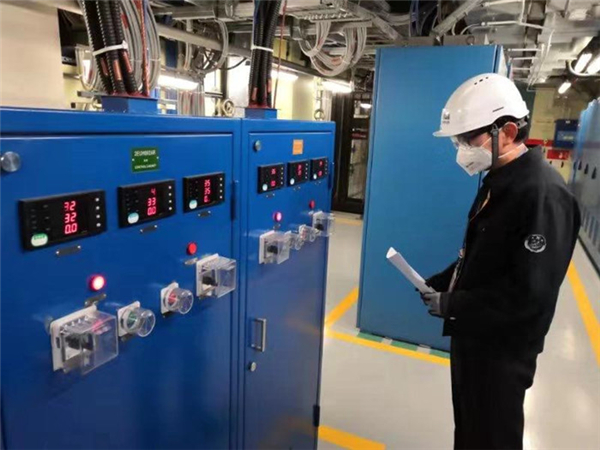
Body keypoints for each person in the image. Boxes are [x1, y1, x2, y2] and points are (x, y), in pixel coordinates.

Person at [422, 73, 581, 450]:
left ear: (507, 132)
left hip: (502, 351)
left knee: (493, 437)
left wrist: (455, 304)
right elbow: (485, 254)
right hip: (475, 336)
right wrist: (446, 280)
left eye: (468, 138)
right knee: (471, 429)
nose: (461, 148)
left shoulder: (542, 195)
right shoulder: (498, 179)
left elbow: (529, 296)